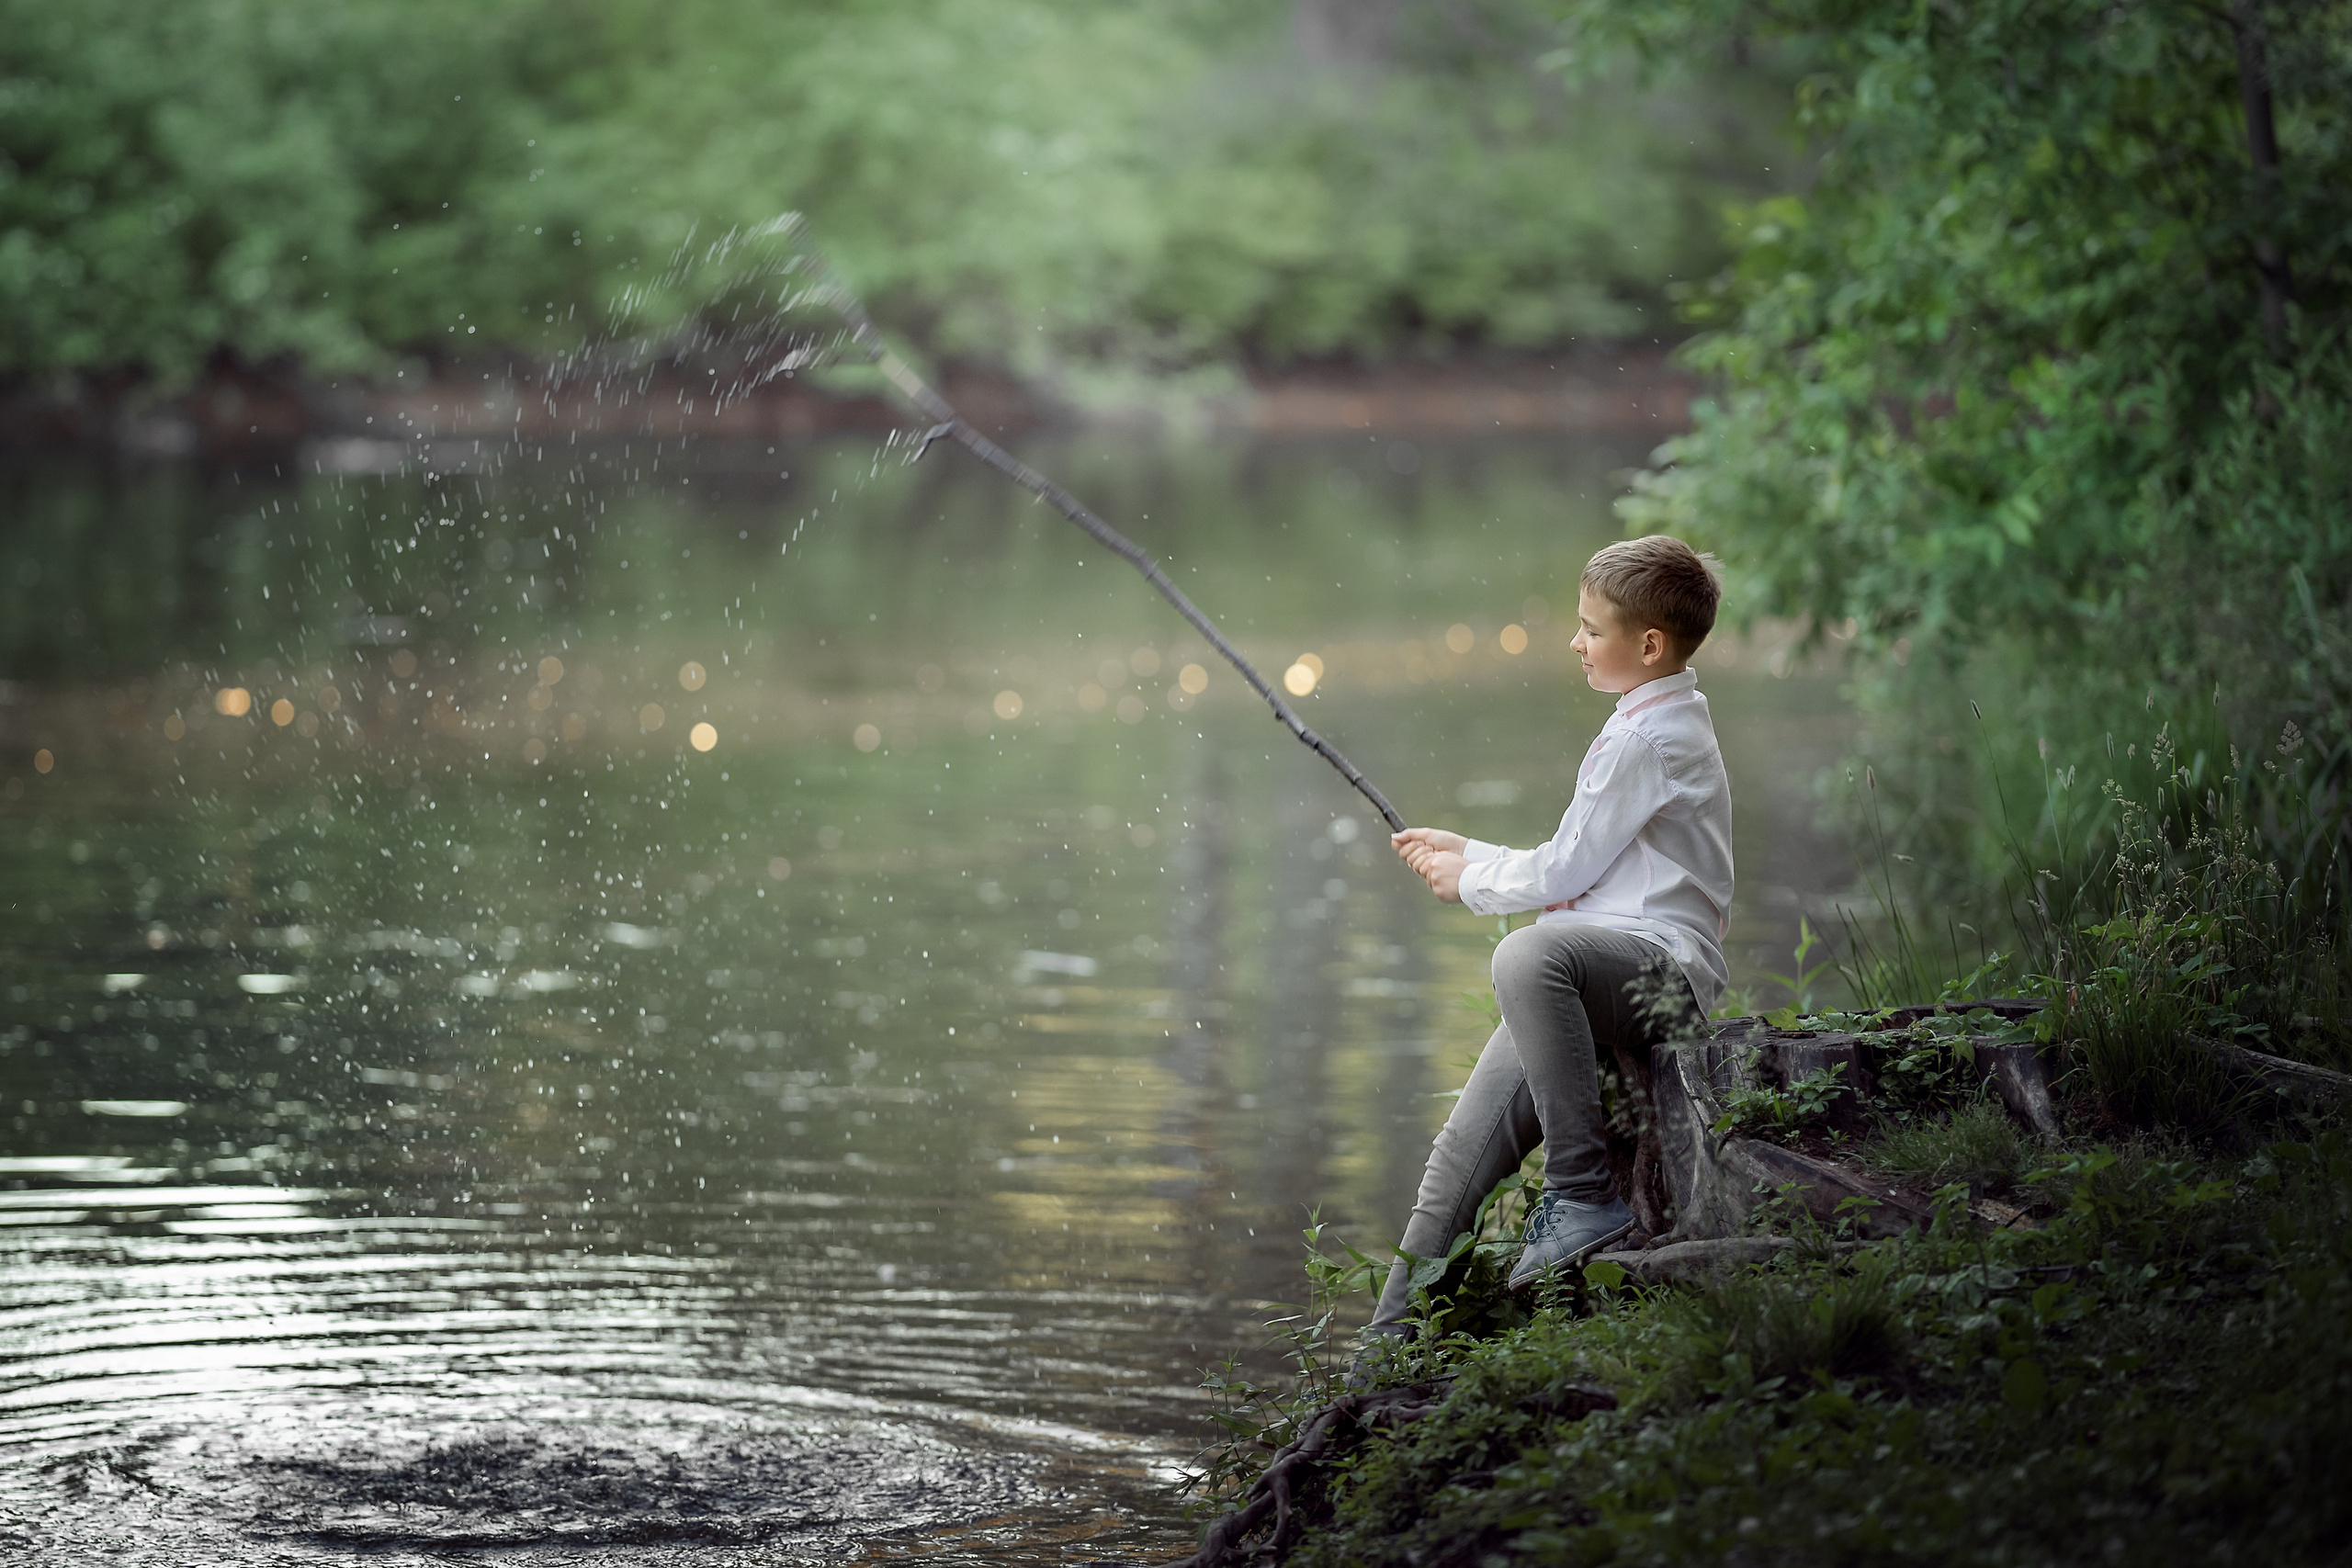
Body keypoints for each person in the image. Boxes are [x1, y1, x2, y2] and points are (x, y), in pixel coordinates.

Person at [1376, 535, 1733, 1334]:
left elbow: (1568, 871)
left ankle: (1581, 1195)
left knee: (1527, 952)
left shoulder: (1647, 737)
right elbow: (1584, 866)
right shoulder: (1647, 721)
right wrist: (1472, 852)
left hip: (1661, 976)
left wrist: (1468, 883)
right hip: (1600, 963)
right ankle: (1380, 1353)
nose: (1574, 641)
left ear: (1648, 645)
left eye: (1589, 628)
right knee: (1455, 1165)